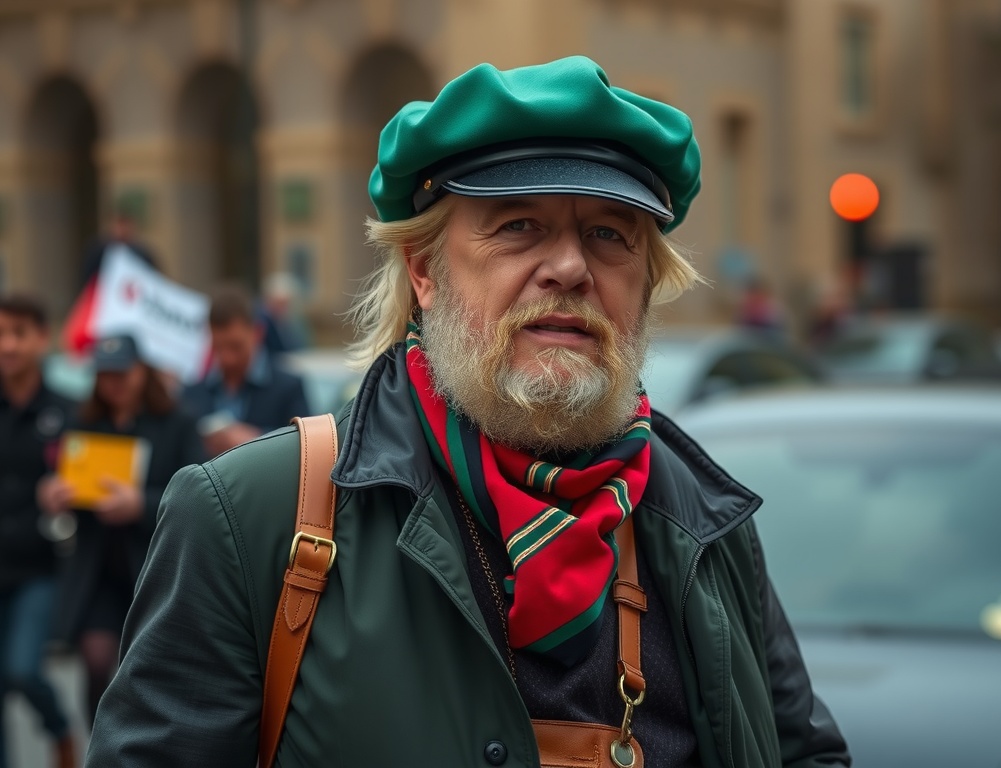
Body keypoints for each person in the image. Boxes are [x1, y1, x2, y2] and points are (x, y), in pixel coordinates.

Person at [86, 57, 850, 767]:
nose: (571, 267)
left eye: (609, 235)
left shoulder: (706, 523)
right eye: (519, 225)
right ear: (424, 272)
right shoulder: (249, 518)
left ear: (643, 287)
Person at [37, 334, 205, 725]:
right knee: (96, 661)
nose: (115, 382)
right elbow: (58, 478)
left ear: (142, 371)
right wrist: (53, 492)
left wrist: (140, 504)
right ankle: (101, 745)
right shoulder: (83, 423)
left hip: (155, 567)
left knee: (153, 669)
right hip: (98, 570)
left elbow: (198, 492)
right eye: (106, 373)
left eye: (123, 372)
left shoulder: (177, 423)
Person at [0, 294, 76, 768]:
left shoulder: (68, 411)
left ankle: (60, 731)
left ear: (41, 339)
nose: (7, 345)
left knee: (24, 670)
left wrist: (70, 490)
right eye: (1, 334)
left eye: (19, 334)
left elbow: (92, 485)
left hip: (41, 569)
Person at [180, 285, 311, 458]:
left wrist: (256, 441)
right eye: (219, 348)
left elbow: (309, 452)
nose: (227, 358)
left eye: (236, 347)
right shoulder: (191, 394)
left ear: (258, 333)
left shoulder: (288, 389)